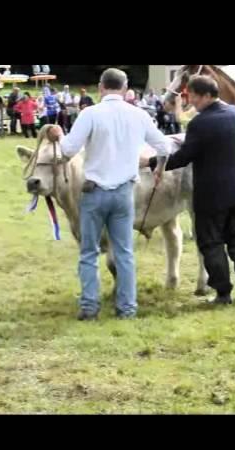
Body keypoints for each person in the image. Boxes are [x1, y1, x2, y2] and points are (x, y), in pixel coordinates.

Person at [46, 68, 172, 321]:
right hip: (125, 192)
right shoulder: (138, 114)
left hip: (94, 193)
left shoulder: (90, 113)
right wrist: (157, 165)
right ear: (125, 90)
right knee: (124, 253)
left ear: (101, 87)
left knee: (89, 252)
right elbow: (164, 145)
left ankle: (90, 307)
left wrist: (59, 135)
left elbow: (68, 151)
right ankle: (127, 308)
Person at [152, 75, 235, 307]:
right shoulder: (234, 113)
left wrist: (154, 162)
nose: (191, 103)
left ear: (206, 96)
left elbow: (184, 156)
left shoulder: (200, 123)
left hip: (211, 195)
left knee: (211, 244)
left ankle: (222, 293)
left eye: (193, 98)